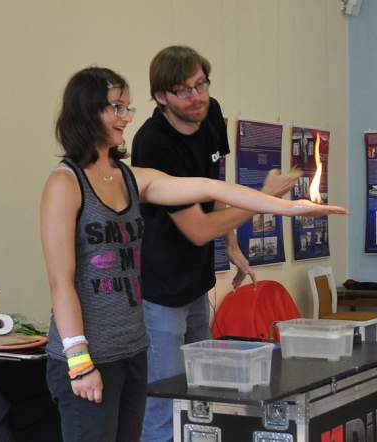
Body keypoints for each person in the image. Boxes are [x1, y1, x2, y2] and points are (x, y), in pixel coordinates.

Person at [41, 66, 346, 442]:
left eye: (127, 108)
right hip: (90, 356)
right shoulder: (65, 183)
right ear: (88, 111)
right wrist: (79, 361)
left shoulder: (130, 178)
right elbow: (61, 282)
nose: (126, 118)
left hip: (132, 350)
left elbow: (208, 188)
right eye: (116, 107)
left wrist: (289, 207)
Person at [131, 45, 304, 441]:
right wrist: (263, 199)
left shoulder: (210, 114)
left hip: (196, 280)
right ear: (161, 96)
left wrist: (233, 245)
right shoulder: (153, 144)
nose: (198, 97)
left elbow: (217, 187)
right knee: (164, 395)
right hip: (160, 289)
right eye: (184, 90)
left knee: (201, 390)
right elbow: (196, 229)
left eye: (202, 84)